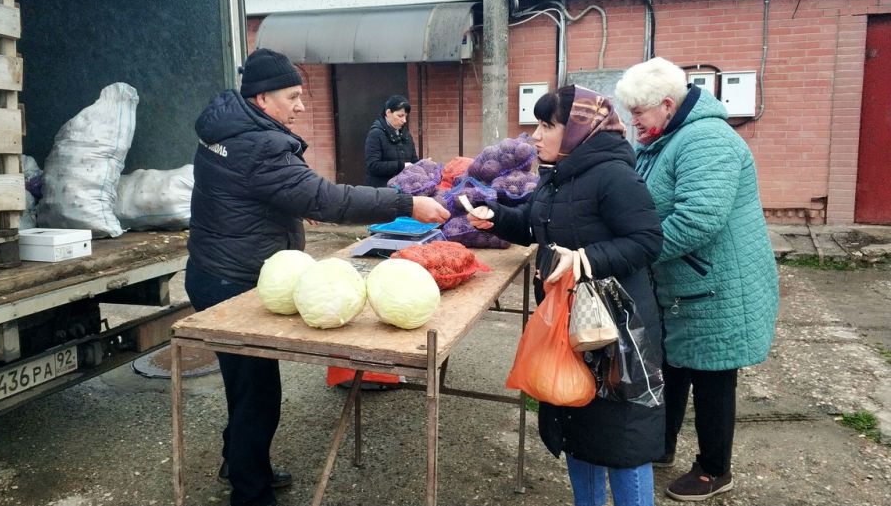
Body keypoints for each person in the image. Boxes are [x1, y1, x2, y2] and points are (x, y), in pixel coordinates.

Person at [185, 48, 449, 506]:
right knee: (257, 394)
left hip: (212, 268)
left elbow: (253, 195)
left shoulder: (225, 129)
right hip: (234, 279)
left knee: (243, 384)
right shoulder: (260, 144)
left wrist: (288, 204)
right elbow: (327, 200)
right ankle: (251, 494)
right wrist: (405, 204)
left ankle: (240, 462)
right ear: (263, 98)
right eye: (292, 96)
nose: (301, 106)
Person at [467, 85, 665, 506]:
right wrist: (496, 218)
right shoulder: (558, 172)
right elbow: (535, 227)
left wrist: (585, 258)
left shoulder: (614, 175)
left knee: (622, 437)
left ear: (579, 130)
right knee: (577, 418)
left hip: (616, 329)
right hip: (568, 322)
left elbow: (647, 241)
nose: (535, 136)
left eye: (546, 125)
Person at [615, 57, 779, 501]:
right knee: (673, 363)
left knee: (713, 373)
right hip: (682, 280)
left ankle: (714, 469)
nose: (634, 123)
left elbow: (698, 219)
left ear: (667, 104)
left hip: (718, 282)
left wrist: (635, 252)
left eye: (639, 113)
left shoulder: (707, 140)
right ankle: (660, 445)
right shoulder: (666, 138)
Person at [364, 94, 418, 187]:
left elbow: (413, 161)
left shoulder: (406, 134)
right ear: (388, 112)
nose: (404, 120)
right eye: (400, 116)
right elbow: (373, 165)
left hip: (403, 188)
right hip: (381, 192)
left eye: (405, 116)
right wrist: (401, 166)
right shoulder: (376, 134)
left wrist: (423, 164)